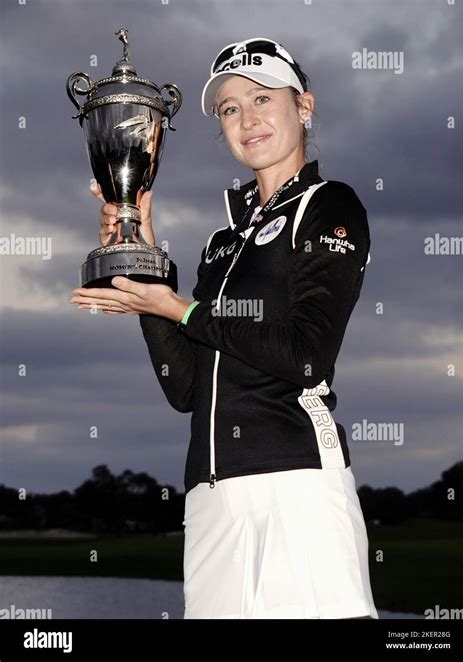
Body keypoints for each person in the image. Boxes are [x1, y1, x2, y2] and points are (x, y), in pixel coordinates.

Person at [69, 37, 378, 620]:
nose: (247, 118)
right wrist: (146, 267)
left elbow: (307, 356)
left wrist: (182, 310)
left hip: (296, 486)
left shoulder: (330, 205)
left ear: (303, 107)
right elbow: (186, 390)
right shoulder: (221, 245)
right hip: (210, 501)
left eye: (262, 99)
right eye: (231, 109)